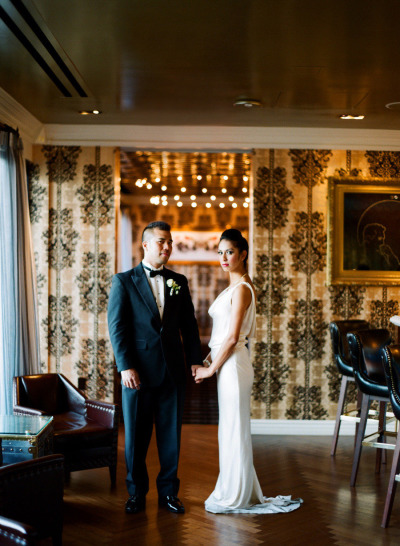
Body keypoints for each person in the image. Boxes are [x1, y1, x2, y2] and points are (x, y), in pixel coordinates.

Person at [195, 229, 302, 514]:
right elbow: (222, 338)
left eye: (229, 252)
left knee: (234, 430)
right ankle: (236, 489)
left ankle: (237, 494)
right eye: (220, 253)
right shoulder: (235, 287)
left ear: (243, 254)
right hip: (226, 365)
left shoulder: (242, 288)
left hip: (233, 366)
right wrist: (207, 363)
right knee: (229, 430)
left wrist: (210, 370)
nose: (224, 258)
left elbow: (232, 338)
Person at [108, 221, 203, 515]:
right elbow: (117, 328)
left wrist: (195, 361)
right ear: (146, 245)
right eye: (162, 242)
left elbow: (189, 325)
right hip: (137, 374)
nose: (167, 247)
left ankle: (169, 494)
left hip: (173, 373)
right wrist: (125, 367)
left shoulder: (179, 281)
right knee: (135, 437)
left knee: (171, 436)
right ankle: (136, 494)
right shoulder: (123, 281)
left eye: (170, 242)